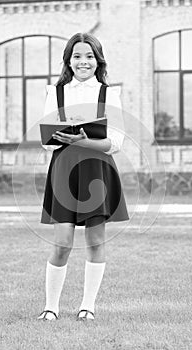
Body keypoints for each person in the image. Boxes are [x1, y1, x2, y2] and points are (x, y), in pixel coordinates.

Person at [38, 32, 129, 321]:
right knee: (62, 241)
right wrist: (66, 133)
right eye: (77, 56)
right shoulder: (56, 92)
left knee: (95, 240)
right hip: (64, 169)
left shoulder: (108, 93)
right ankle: (50, 307)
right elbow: (47, 140)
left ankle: (87, 306)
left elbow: (115, 142)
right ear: (68, 60)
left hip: (97, 170)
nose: (83, 61)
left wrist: (83, 140)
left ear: (98, 60)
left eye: (89, 56)